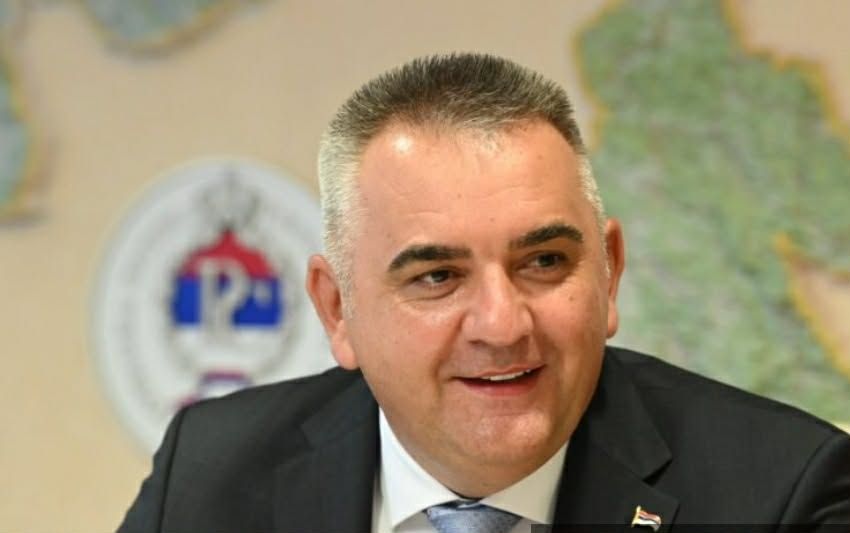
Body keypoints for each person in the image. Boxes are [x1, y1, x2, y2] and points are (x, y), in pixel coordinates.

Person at [116, 53, 850, 533]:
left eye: (544, 261)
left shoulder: (783, 494)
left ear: (609, 271)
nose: (502, 325)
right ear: (337, 309)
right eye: (437, 276)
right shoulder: (210, 472)